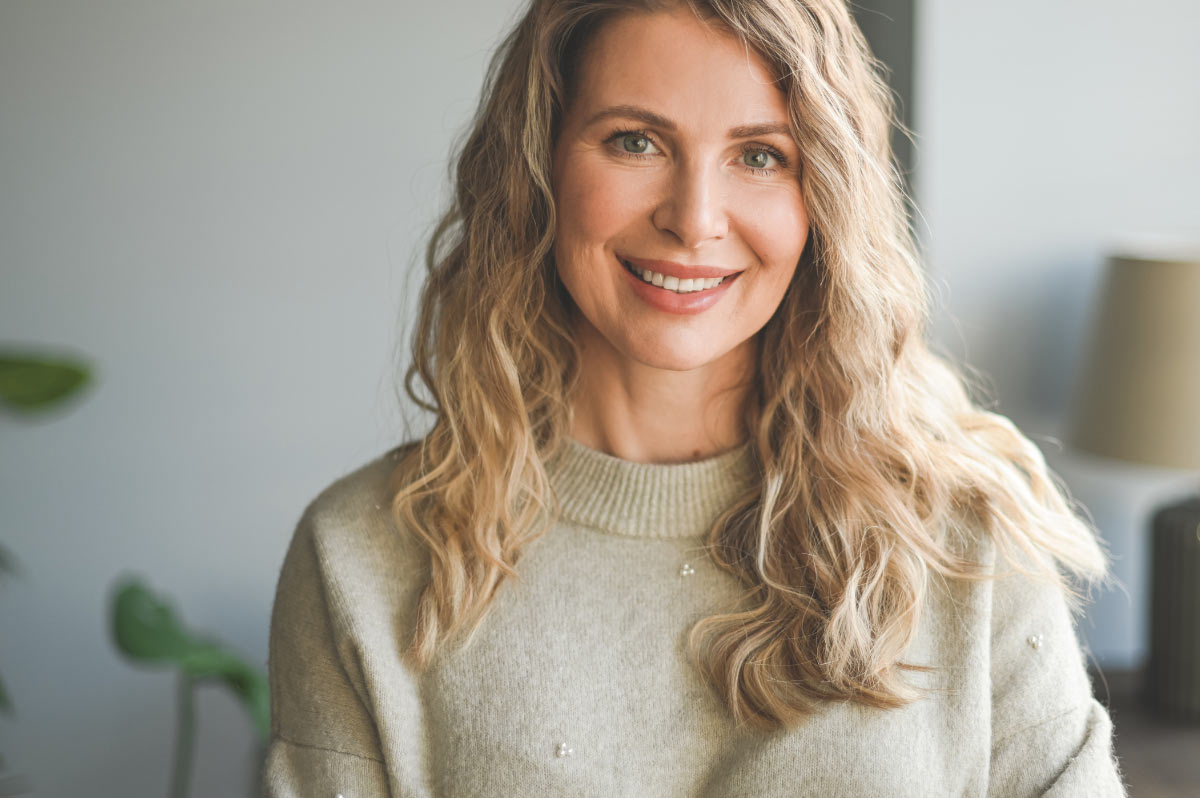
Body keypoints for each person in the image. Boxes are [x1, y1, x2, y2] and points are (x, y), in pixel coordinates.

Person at [263, 0, 1127, 795]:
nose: (695, 217)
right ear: (538, 170)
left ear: (822, 199)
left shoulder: (971, 544)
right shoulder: (359, 563)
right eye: (636, 141)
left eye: (760, 156)